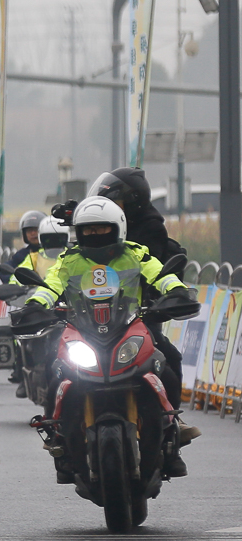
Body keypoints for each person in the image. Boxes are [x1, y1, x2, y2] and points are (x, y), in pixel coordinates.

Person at [18, 196, 196, 477]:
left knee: (167, 362)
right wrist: (35, 305)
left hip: (129, 326)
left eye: (102, 229)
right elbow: (50, 285)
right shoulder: (69, 260)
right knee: (56, 371)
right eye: (88, 230)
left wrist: (176, 290)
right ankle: (58, 435)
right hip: (84, 328)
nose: (95, 235)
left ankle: (172, 433)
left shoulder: (135, 253)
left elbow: (160, 274)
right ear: (78, 232)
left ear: (118, 228)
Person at [74, 168, 197, 437]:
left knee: (168, 360)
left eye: (112, 203)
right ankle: (59, 428)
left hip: (135, 313)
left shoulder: (147, 229)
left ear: (131, 202)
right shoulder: (105, 226)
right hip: (91, 314)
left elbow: (142, 267)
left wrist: (172, 294)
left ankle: (171, 424)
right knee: (59, 363)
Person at [4, 216, 69, 398]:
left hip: (69, 310)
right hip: (42, 309)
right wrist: (17, 287)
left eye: (58, 238)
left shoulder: (73, 256)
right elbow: (16, 276)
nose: (54, 243)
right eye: (49, 238)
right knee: (25, 335)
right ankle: (25, 374)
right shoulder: (32, 258)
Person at [0, 210, 46, 283]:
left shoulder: (55, 252)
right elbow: (6, 270)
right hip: (29, 292)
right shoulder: (21, 255)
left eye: (36, 229)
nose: (33, 233)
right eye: (29, 230)